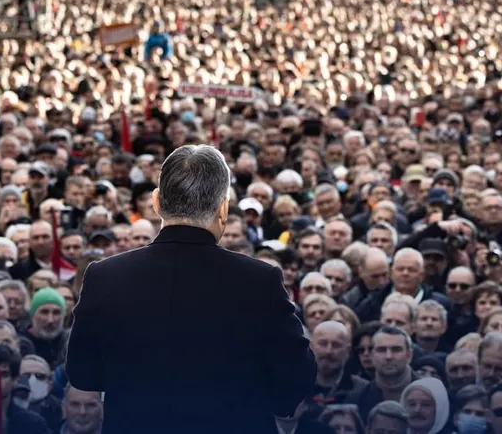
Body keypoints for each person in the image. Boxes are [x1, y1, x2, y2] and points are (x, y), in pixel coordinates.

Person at [64, 144, 316, 433]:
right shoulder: (259, 280)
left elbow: (83, 373)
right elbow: (297, 374)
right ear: (223, 207)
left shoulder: (105, 276)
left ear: (157, 202)